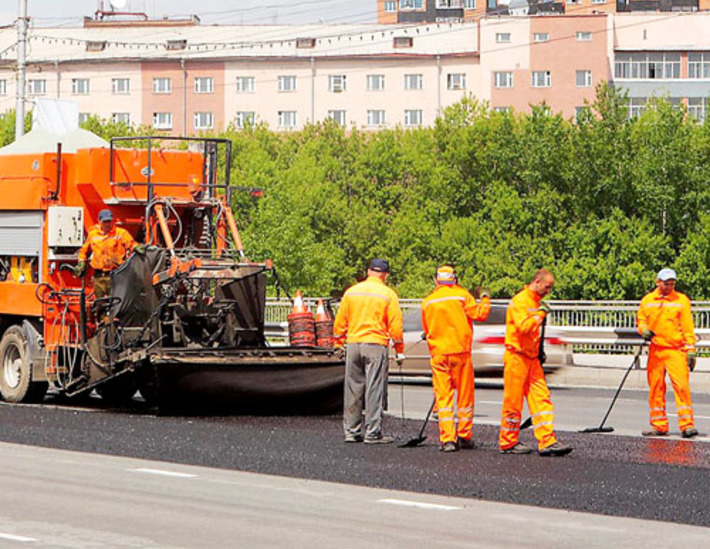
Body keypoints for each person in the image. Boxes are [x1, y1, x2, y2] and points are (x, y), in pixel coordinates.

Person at [499, 269, 573, 456]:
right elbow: (524, 327)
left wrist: (539, 351)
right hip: (517, 358)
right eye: (547, 287)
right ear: (537, 282)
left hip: (531, 359)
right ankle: (508, 442)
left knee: (542, 399)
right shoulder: (520, 301)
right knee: (513, 403)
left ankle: (547, 441)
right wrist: (540, 314)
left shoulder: (534, 302)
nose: (548, 291)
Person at [334, 258, 404, 444]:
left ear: (368, 271)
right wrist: (399, 350)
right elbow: (395, 326)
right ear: (385, 275)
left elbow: (340, 321)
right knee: (374, 389)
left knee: (353, 388)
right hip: (375, 344)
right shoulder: (388, 294)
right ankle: (373, 433)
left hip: (354, 344)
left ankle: (351, 431)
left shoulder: (351, 292)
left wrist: (338, 342)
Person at [421, 265, 491, 452]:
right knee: (465, 396)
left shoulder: (427, 302)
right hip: (460, 353)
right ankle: (464, 436)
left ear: (436, 280)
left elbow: (427, 330)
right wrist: (485, 297)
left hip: (438, 354)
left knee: (443, 397)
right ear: (454, 279)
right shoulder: (462, 296)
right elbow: (481, 314)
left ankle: (448, 440)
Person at [637, 268, 698, 438]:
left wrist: (691, 349)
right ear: (658, 282)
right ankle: (659, 425)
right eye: (666, 283)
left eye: (672, 283)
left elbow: (687, 327)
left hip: (675, 350)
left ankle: (687, 425)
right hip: (656, 351)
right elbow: (641, 320)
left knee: (682, 387)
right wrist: (644, 330)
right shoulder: (648, 300)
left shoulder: (681, 301)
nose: (669, 286)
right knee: (656, 388)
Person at [75, 209, 145, 299]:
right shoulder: (93, 235)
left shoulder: (121, 233)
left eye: (109, 221)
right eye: (105, 222)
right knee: (100, 304)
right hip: (98, 276)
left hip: (116, 275)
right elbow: (84, 251)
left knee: (116, 302)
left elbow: (130, 243)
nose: (107, 224)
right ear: (99, 221)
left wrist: (136, 247)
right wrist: (81, 262)